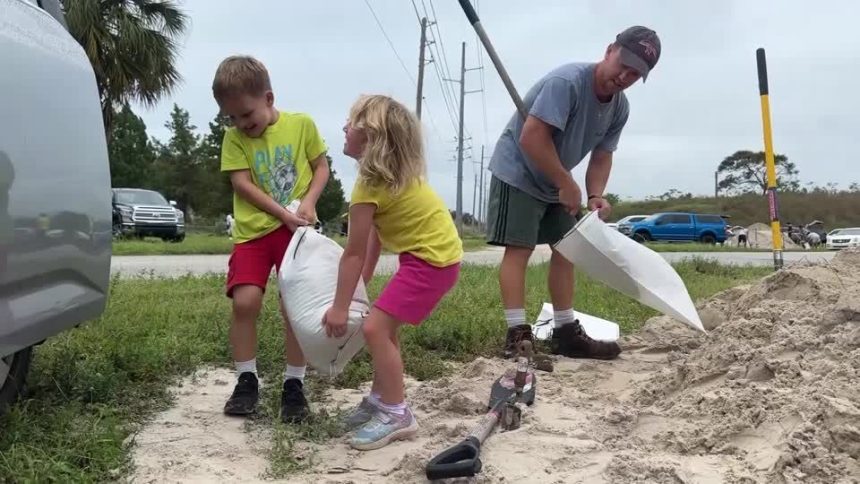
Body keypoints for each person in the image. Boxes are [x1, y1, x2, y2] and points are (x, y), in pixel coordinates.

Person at [485, 26, 661, 360]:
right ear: (610, 50)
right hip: (519, 171)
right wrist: (566, 182)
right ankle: (517, 335)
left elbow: (603, 154)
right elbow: (532, 137)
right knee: (519, 249)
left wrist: (595, 193)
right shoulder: (566, 84)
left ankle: (565, 332)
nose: (624, 75)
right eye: (623, 64)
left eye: (635, 73)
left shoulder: (619, 108)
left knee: (568, 250)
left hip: (556, 178)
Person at [323, 94, 462, 450]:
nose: (344, 127)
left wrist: (340, 307)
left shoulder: (368, 185)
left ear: (372, 138)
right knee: (385, 329)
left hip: (431, 262)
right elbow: (373, 238)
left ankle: (398, 413)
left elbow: (351, 253)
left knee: (374, 328)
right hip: (432, 258)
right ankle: (380, 399)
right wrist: (363, 283)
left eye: (351, 122)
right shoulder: (386, 179)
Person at [212, 55, 330, 423]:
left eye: (246, 115)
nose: (241, 124)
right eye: (232, 118)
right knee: (245, 302)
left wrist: (309, 201)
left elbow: (321, 167)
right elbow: (241, 184)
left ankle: (293, 386)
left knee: (293, 308)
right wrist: (281, 213)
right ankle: (246, 379)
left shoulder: (301, 125)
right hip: (253, 234)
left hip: (296, 235)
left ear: (268, 97)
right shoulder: (234, 139)